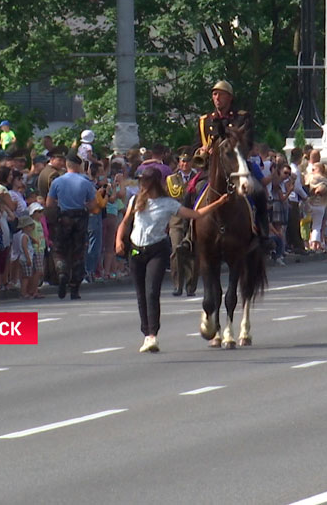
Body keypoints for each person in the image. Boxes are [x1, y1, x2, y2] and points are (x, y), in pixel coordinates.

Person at [115, 167, 228, 353]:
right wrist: (119, 239)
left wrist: (219, 202)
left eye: (145, 180)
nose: (141, 183)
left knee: (152, 291)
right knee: (141, 295)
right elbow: (125, 222)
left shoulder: (168, 203)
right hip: (136, 251)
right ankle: (146, 333)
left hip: (157, 250)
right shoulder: (136, 200)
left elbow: (196, 215)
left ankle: (152, 335)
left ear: (153, 182)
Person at [191, 80, 271, 249]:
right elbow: (195, 145)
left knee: (258, 192)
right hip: (212, 168)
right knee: (190, 192)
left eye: (221, 94)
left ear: (229, 97)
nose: (217, 98)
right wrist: (202, 150)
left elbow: (248, 142)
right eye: (214, 94)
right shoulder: (205, 121)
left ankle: (263, 235)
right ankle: (187, 235)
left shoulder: (241, 118)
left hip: (237, 165)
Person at [46, 151, 96, 299]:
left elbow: (49, 203)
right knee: (78, 253)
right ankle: (75, 288)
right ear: (78, 165)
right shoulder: (86, 182)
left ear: (67, 166)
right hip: (80, 217)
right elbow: (93, 205)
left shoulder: (58, 182)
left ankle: (62, 273)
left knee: (59, 249)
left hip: (64, 217)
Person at [167, 151, 198, 296]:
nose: (185, 164)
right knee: (176, 251)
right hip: (177, 220)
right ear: (179, 163)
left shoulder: (198, 177)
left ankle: (191, 285)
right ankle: (177, 285)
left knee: (192, 252)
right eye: (183, 161)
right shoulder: (172, 179)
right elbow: (169, 198)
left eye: (188, 161)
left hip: (193, 219)